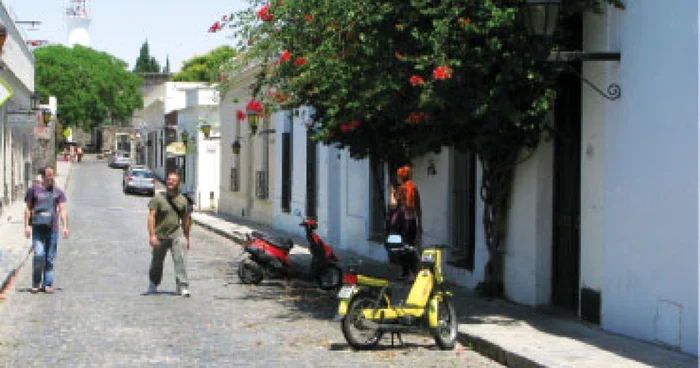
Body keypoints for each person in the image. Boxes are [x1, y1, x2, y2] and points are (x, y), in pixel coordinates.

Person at [24, 166, 69, 294]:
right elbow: (27, 208)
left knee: (50, 257)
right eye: (49, 176)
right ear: (43, 176)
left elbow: (63, 209)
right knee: (39, 255)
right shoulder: (33, 190)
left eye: (52, 176)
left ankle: (47, 284)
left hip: (52, 228)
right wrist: (27, 226)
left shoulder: (58, 192)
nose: (51, 178)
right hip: (38, 227)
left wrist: (65, 226)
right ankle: (36, 282)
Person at [147, 171, 192, 297]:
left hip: (176, 235)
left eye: (173, 180)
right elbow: (151, 217)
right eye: (169, 179)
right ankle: (153, 283)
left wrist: (187, 238)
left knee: (181, 260)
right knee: (157, 262)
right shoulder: (158, 198)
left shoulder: (183, 200)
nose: (170, 182)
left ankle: (182, 286)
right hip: (160, 235)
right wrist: (152, 235)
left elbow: (187, 220)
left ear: (178, 183)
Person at [387, 165, 423, 279]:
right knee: (410, 247)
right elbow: (418, 208)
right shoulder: (414, 188)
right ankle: (413, 272)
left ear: (401, 177)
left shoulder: (400, 189)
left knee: (401, 247)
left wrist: (392, 193)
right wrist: (420, 224)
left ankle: (406, 272)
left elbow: (393, 205)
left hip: (402, 223)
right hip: (412, 221)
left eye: (398, 176)